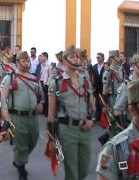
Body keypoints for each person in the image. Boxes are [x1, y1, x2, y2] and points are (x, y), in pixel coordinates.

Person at [47, 46, 95, 180]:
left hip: (84, 129)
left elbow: (92, 104)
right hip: (67, 129)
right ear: (64, 60)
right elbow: (51, 114)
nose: (76, 59)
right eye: (72, 57)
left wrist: (92, 119)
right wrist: (51, 138)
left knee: (84, 169)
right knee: (72, 171)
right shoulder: (56, 82)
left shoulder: (85, 80)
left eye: (78, 57)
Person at [1, 51, 44, 180]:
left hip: (32, 117)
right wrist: (5, 119)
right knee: (21, 144)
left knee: (34, 140)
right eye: (24, 61)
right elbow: (2, 100)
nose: (27, 63)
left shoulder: (33, 77)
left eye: (28, 61)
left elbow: (41, 94)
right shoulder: (10, 77)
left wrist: (41, 103)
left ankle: (19, 159)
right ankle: (21, 169)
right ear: (18, 62)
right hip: (17, 117)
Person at [113, 54, 139, 135]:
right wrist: (125, 132)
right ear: (134, 66)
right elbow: (117, 112)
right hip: (131, 130)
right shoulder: (126, 86)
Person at [102, 50, 126, 138]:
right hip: (112, 101)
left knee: (122, 125)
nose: (120, 59)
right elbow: (104, 91)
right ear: (112, 59)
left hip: (122, 101)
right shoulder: (107, 72)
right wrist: (105, 106)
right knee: (114, 126)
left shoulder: (121, 70)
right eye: (117, 57)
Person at [92, 52, 105, 121]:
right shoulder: (94, 67)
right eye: (96, 57)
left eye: (98, 57)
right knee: (97, 103)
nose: (97, 59)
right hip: (97, 88)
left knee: (104, 103)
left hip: (104, 88)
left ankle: (106, 118)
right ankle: (98, 118)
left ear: (102, 58)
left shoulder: (106, 66)